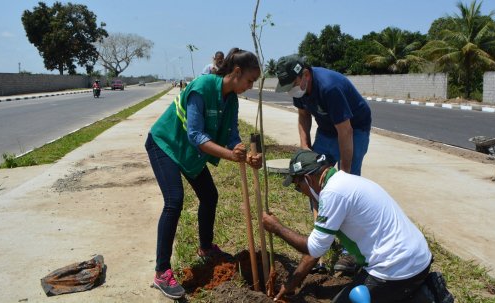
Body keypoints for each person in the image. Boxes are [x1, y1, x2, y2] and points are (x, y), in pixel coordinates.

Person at [146, 47, 262, 299]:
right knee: (174, 201)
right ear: (237, 72)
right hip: (165, 144)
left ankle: (206, 248)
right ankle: (162, 272)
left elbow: (231, 134)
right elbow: (196, 135)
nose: (251, 86)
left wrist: (243, 151)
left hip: (189, 151)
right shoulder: (202, 86)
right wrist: (230, 155)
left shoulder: (230, 99)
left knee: (209, 196)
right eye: (250, 80)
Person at [262, 149, 433, 303]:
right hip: (418, 259)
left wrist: (277, 228)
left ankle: (419, 297)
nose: (302, 193)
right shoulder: (346, 182)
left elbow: (314, 249)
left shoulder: (333, 193)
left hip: (397, 270)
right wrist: (291, 284)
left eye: (298, 187)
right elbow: (318, 248)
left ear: (307, 179)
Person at [274, 54, 372, 272]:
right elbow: (303, 115)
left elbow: (345, 131)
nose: (291, 90)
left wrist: (343, 178)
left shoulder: (330, 87)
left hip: (354, 128)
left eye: (292, 84)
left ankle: (350, 253)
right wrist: (304, 147)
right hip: (327, 130)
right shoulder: (299, 87)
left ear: (305, 75)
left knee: (349, 189)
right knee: (313, 181)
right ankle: (322, 239)